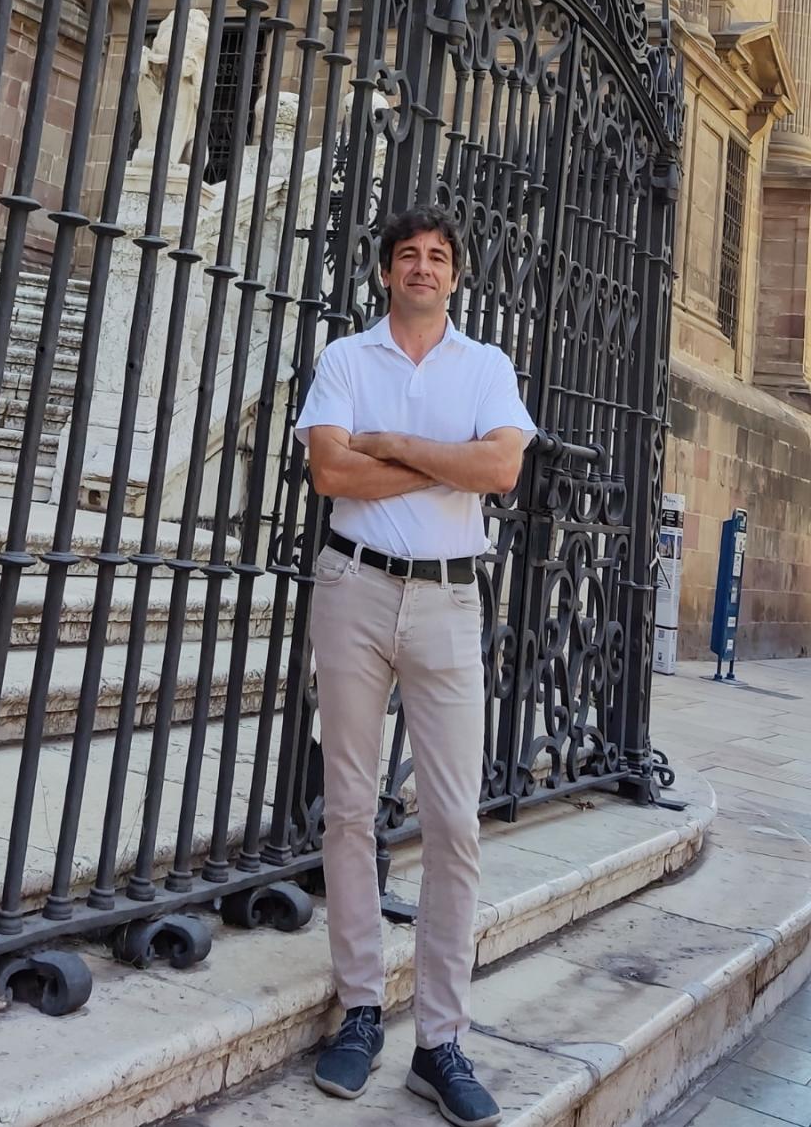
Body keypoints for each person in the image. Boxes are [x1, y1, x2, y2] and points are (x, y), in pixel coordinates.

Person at [294, 204, 536, 1127]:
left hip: (447, 600)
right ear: (387, 272)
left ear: (455, 275)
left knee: (453, 821)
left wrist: (388, 444)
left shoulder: (486, 366)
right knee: (352, 807)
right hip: (354, 588)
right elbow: (329, 474)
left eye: (438, 257)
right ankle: (359, 1011)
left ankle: (441, 1040)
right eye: (408, 256)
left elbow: (504, 470)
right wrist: (450, 465)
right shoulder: (348, 360)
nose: (423, 268)